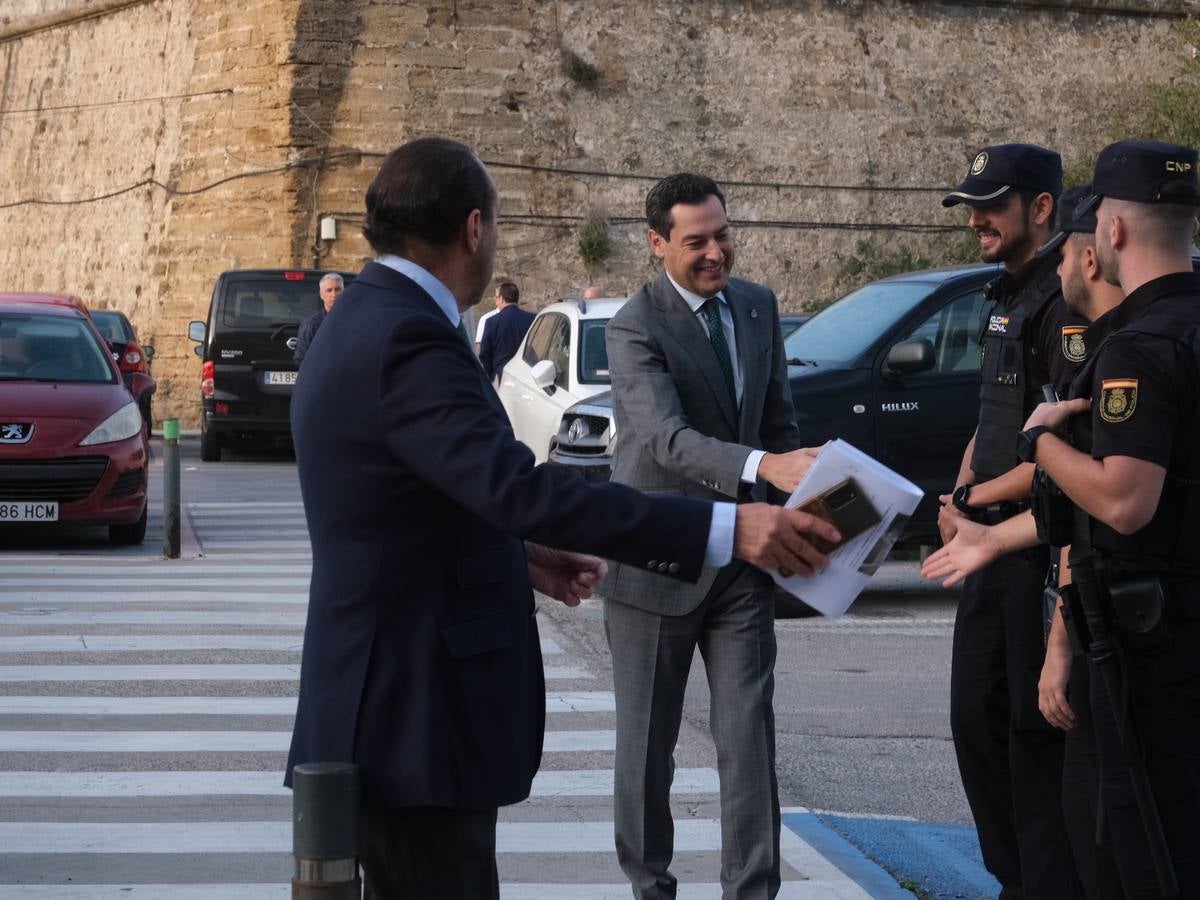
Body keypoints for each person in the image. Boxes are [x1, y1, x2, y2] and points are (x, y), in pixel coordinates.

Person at [284, 138, 840, 900]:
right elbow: (521, 487)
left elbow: (411, 505)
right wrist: (726, 528)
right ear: (474, 229)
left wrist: (517, 554)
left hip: (392, 703)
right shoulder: (410, 336)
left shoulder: (366, 316)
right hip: (414, 713)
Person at [930, 140, 1200, 899]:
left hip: (1145, 645)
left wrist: (1043, 442)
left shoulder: (1137, 347)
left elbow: (1123, 502)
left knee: (1136, 856)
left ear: (1112, 232)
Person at [603, 172, 820, 899]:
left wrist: (807, 509)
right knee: (647, 751)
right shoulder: (634, 326)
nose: (716, 253)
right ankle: (650, 889)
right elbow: (666, 439)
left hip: (744, 565)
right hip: (656, 564)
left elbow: (780, 423)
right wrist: (763, 465)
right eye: (696, 241)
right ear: (657, 242)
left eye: (723, 235)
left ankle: (752, 892)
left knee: (749, 739)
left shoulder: (757, 306)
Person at [939, 143, 1086, 898]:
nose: (977, 221)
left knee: (1032, 736)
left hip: (1036, 547)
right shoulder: (1006, 295)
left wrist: (976, 505)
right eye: (971, 207)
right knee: (976, 720)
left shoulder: (1065, 303)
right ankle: (1014, 876)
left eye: (992, 206)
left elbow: (1059, 451)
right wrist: (959, 493)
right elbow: (994, 418)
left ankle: (1040, 884)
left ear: (1041, 207)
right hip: (986, 548)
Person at [478, 281, 534, 383]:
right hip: (526, 375)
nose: (495, 301)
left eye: (496, 298)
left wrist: (491, 375)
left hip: (501, 376)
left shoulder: (491, 322)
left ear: (502, 298)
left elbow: (484, 354)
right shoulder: (532, 318)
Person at [293, 272, 344, 364]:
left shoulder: (354, 322)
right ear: (321, 295)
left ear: (344, 292)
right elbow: (301, 359)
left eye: (337, 289)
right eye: (329, 290)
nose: (334, 294)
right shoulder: (312, 325)